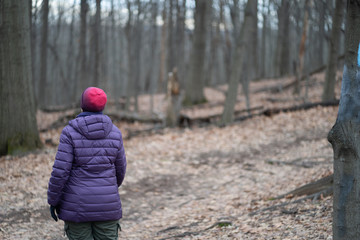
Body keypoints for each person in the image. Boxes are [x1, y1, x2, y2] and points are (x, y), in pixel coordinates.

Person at [47, 87, 127, 240]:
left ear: (82, 105)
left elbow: (60, 171)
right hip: (107, 206)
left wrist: (53, 200)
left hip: (77, 207)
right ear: (103, 106)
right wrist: (106, 189)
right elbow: (121, 169)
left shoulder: (69, 132)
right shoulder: (115, 132)